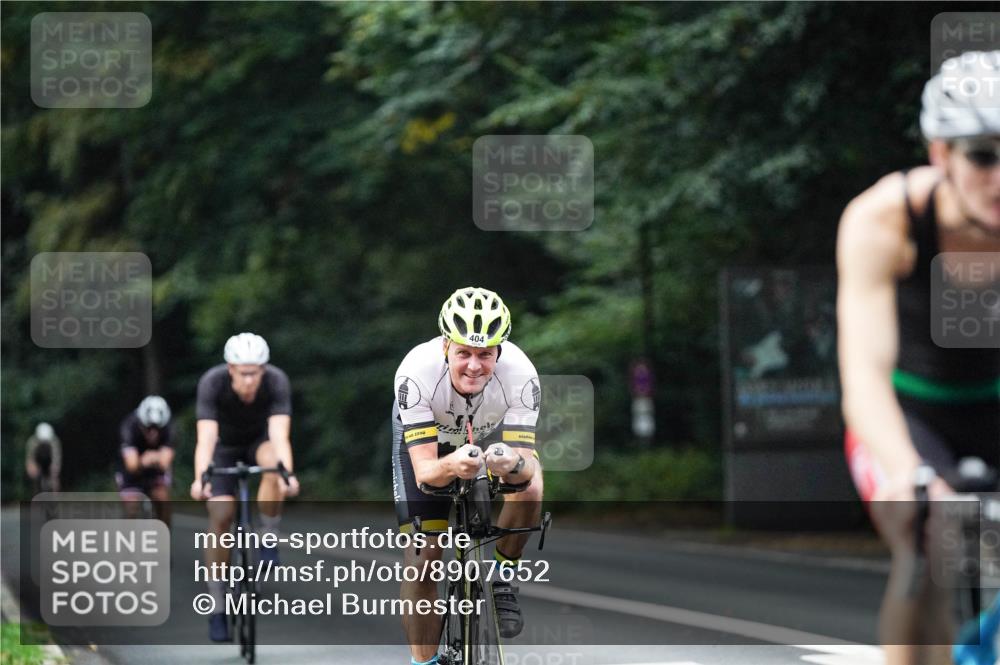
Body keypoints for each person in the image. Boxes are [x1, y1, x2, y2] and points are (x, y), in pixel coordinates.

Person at [837, 51, 1000, 665]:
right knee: (925, 543)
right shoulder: (885, 220)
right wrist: (910, 474)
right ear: (941, 154)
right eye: (983, 156)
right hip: (908, 414)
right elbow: (864, 377)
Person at [393, 287, 543, 665]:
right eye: (464, 353)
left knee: (532, 487)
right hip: (430, 443)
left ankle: (503, 575)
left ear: (499, 352)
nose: (474, 365)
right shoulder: (416, 372)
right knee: (424, 554)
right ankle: (424, 662)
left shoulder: (522, 375)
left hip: (490, 438)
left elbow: (524, 469)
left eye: (485, 354)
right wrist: (450, 465)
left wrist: (512, 464)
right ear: (446, 346)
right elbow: (426, 471)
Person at [189, 332, 300, 642]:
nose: (250, 380)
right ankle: (217, 605)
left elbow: (280, 436)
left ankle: (268, 534)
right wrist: (201, 479)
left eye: (256, 372)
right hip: (224, 448)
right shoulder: (212, 383)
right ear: (230, 369)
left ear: (264, 370)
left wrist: (288, 474)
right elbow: (206, 440)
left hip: (259, 443)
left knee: (273, 468)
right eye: (244, 373)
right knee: (221, 515)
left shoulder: (276, 381)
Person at [116, 395, 175, 526]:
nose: (153, 434)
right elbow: (132, 465)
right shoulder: (129, 425)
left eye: (157, 429)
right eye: (148, 428)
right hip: (130, 475)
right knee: (131, 508)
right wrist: (147, 459)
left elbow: (165, 463)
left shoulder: (169, 427)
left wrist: (144, 459)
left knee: (163, 501)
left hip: (155, 472)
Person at [25, 422, 62, 493]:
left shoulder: (55, 442)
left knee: (54, 480)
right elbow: (30, 458)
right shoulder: (32, 442)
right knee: (35, 477)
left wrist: (55, 470)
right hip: (38, 461)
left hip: (49, 461)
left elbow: (56, 458)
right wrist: (31, 468)